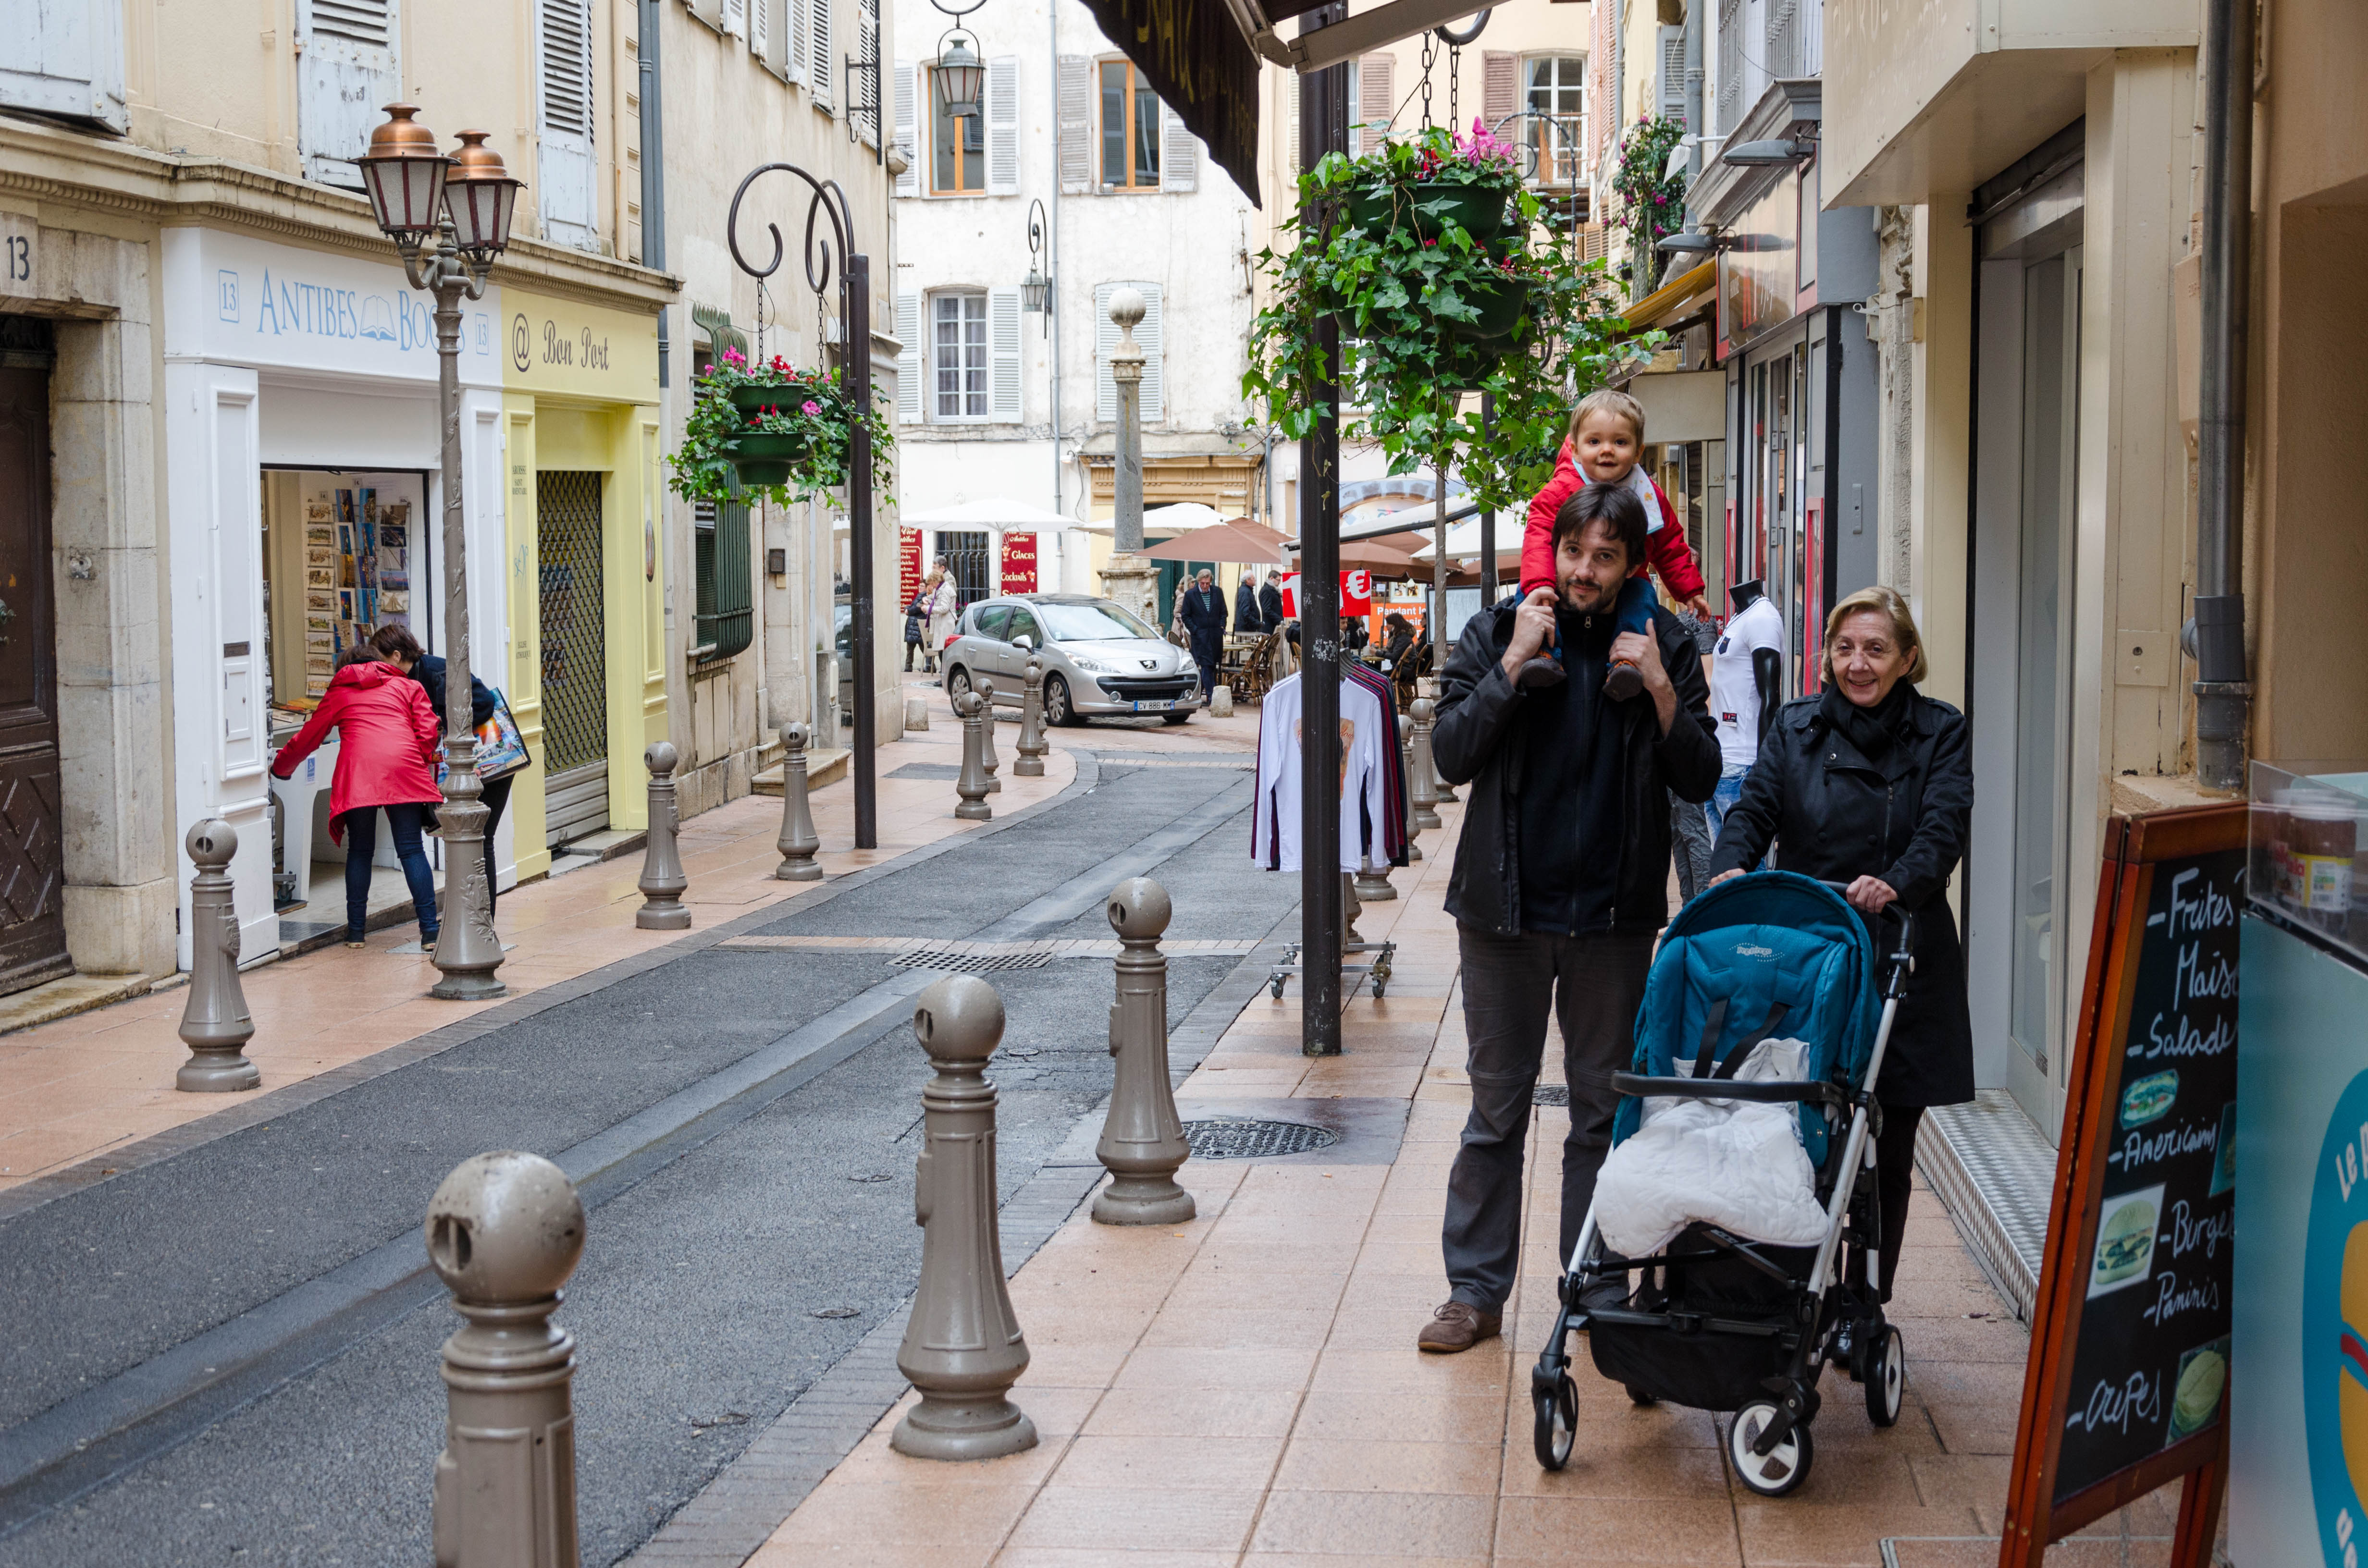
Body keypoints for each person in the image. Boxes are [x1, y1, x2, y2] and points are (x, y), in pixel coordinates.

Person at [1417, 481, 1721, 1352]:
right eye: (1574, 552)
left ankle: (1593, 1284)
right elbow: (1449, 754)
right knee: (1494, 1113)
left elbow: (1700, 774)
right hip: (1502, 918)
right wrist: (1512, 666)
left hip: (1613, 923)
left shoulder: (1664, 642)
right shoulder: (1497, 630)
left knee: (1600, 1114)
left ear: (1630, 565)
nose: (1585, 570)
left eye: (1605, 557)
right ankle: (1474, 1293)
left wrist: (1660, 688)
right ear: (1553, 551)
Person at [1705, 584, 1973, 1303]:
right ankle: (1791, 1285)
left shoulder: (1941, 731)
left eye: (1876, 650)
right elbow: (1754, 808)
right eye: (1844, 647)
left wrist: (1896, 882)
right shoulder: (1795, 727)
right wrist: (1730, 865)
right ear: (1826, 654)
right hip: (1811, 950)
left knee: (1889, 1142)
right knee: (1795, 1119)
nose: (1858, 664)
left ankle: (1865, 1297)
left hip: (1900, 953)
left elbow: (1944, 827)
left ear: (1908, 659)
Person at [1516, 389, 1712, 697]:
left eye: (1620, 442)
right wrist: (1540, 582)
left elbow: (1670, 545)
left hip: (1628, 581)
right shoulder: (1562, 489)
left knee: (1642, 603)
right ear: (1575, 448)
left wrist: (1689, 590)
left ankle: (1627, 663)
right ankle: (1543, 653)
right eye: (1594, 442)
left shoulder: (1648, 493)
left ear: (1638, 451)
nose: (1607, 451)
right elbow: (1538, 537)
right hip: (1557, 579)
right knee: (1531, 600)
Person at [270, 643, 444, 951]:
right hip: (402, 768)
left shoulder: (340, 692)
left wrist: (281, 768)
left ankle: (356, 933)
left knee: (360, 851)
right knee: (411, 850)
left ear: (344, 668)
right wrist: (413, 756)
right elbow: (429, 730)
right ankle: (430, 932)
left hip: (358, 772)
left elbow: (309, 736)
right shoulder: (408, 687)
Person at [369, 625, 511, 913]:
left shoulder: (437, 673)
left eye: (379, 659)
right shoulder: (408, 679)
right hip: (464, 769)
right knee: (469, 841)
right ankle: (471, 916)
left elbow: (484, 703)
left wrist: (441, 724)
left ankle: (485, 920)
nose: (376, 666)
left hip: (487, 766)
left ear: (396, 656)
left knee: (482, 840)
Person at [1707, 577, 1785, 843]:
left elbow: (1770, 698)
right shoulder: (1740, 617)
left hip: (1742, 764)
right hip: (1722, 761)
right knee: (1722, 859)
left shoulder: (1762, 619)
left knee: (1744, 857)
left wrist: (1764, 768)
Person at [1178, 567, 1228, 700]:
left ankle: (1199, 694)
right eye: (1203, 583)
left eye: (1207, 583)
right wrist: (1195, 630)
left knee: (1211, 666)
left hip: (1215, 636)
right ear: (1198, 581)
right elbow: (1186, 615)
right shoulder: (1191, 595)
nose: (1205, 586)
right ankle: (1212, 698)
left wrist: (1222, 626)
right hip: (1200, 637)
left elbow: (1224, 612)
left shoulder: (1217, 592)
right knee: (1206, 665)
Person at [923, 562, 958, 674]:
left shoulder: (946, 590)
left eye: (932, 583)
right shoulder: (939, 589)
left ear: (936, 580)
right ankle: (944, 676)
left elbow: (944, 608)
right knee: (941, 651)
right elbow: (935, 599)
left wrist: (929, 609)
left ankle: (945, 676)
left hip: (946, 623)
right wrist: (927, 600)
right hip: (942, 623)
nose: (932, 586)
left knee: (945, 651)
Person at [903, 586, 929, 672]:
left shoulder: (925, 598)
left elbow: (917, 608)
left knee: (924, 649)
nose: (920, 587)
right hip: (913, 627)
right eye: (920, 586)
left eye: (923, 586)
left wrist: (909, 610)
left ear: (926, 588)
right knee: (910, 649)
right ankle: (908, 667)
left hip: (918, 627)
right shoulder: (919, 596)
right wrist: (907, 608)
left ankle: (930, 666)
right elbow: (913, 607)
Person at [1234, 571, 1265, 637]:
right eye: (1253, 578)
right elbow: (1245, 613)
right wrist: (1257, 623)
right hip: (1245, 631)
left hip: (1247, 629)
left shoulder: (1246, 591)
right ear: (1247, 580)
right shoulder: (1245, 592)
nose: (1255, 580)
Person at [1258, 569, 1287, 635]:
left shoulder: (1273, 590)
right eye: (1278, 580)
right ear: (1271, 578)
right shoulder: (1266, 591)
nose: (1279, 582)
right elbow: (1267, 609)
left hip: (1274, 625)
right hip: (1270, 627)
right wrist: (1279, 620)